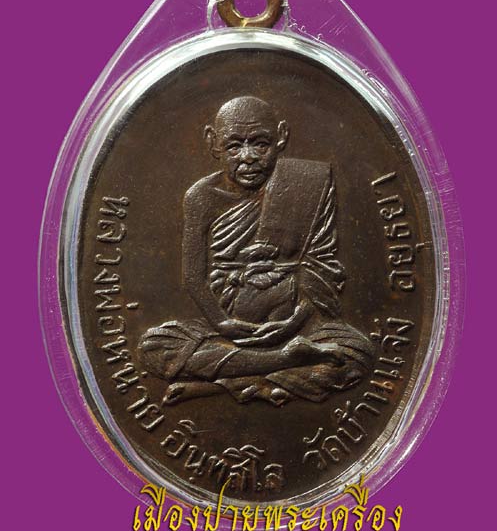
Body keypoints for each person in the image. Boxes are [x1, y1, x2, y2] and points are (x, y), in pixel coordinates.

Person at [138, 96, 375, 406]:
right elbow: (194, 277)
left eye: (260, 144)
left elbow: (322, 268)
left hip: (294, 321)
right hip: (226, 323)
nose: (248, 157)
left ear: (281, 137)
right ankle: (283, 361)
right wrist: (224, 324)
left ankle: (227, 382)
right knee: (155, 347)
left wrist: (292, 323)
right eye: (234, 146)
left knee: (357, 354)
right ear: (213, 142)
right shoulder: (201, 196)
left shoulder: (309, 184)